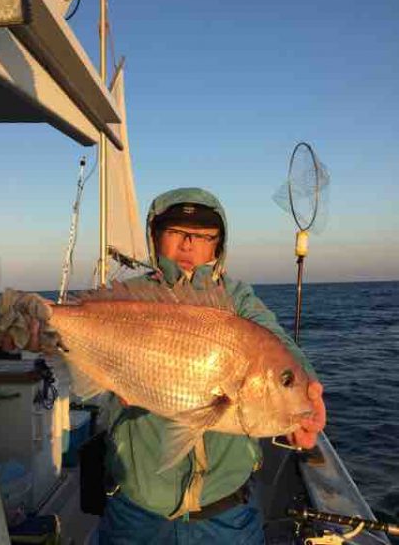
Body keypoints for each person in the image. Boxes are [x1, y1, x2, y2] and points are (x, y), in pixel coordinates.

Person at [96, 187, 326, 544]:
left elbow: (279, 342)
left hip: (226, 513)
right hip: (137, 508)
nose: (189, 246)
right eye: (176, 232)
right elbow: (77, 334)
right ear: (155, 237)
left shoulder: (237, 300)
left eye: (204, 236)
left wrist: (307, 388)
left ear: (218, 245)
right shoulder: (129, 297)